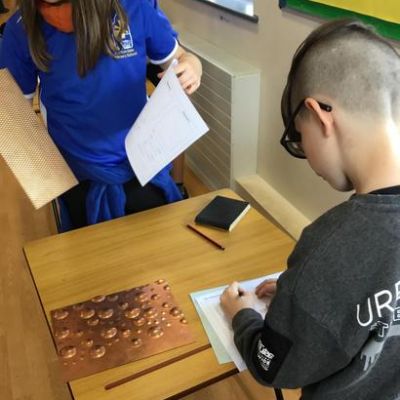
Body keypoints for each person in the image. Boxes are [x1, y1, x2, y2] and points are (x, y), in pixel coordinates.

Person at [220, 19, 400, 400]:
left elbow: (270, 364)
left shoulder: (331, 247)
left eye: (300, 139)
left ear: (320, 117)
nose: (308, 157)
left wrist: (243, 316)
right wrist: (298, 299)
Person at [0, 0, 201, 231]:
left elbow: (181, 58)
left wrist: (192, 65)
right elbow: (11, 116)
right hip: (76, 175)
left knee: (159, 244)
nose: (54, 14)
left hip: (143, 163)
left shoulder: (135, 7)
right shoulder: (22, 27)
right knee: (89, 251)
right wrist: (49, 183)